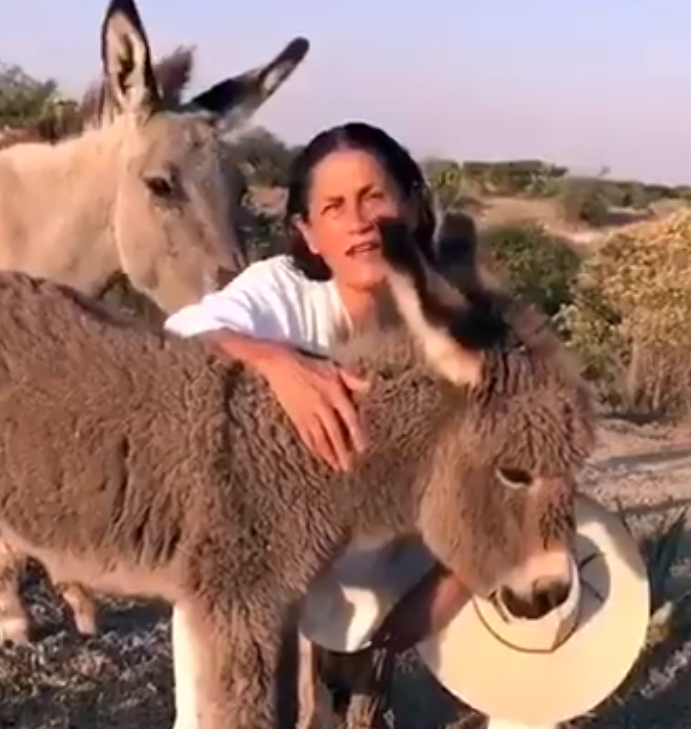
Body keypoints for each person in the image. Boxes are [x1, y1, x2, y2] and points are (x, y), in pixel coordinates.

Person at [163, 121, 476, 729]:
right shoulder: (283, 292)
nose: (359, 222)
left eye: (375, 197)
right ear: (308, 232)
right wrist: (273, 361)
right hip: (263, 576)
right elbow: (181, 334)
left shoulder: (454, 318)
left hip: (387, 585)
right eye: (334, 207)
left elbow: (520, 468)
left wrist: (454, 583)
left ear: (413, 205)